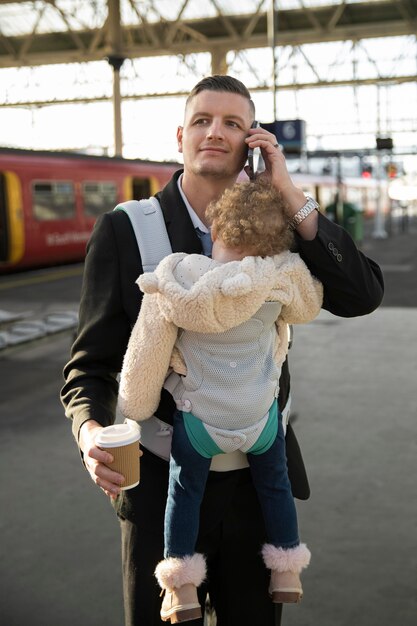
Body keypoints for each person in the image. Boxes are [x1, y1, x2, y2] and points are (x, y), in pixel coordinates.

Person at [61, 74, 384, 626]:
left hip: (258, 490)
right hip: (162, 488)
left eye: (233, 122)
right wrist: (89, 429)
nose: (216, 131)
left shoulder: (282, 229)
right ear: (180, 135)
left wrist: (290, 194)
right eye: (204, 120)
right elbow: (89, 364)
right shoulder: (124, 229)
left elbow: (362, 293)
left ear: (252, 143)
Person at [118, 179, 323, 623]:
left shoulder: (180, 279)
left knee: (184, 492)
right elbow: (309, 304)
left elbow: (146, 356)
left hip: (200, 423)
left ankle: (181, 586)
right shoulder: (281, 278)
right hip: (261, 422)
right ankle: (287, 570)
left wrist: (135, 406)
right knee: (276, 487)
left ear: (217, 232)